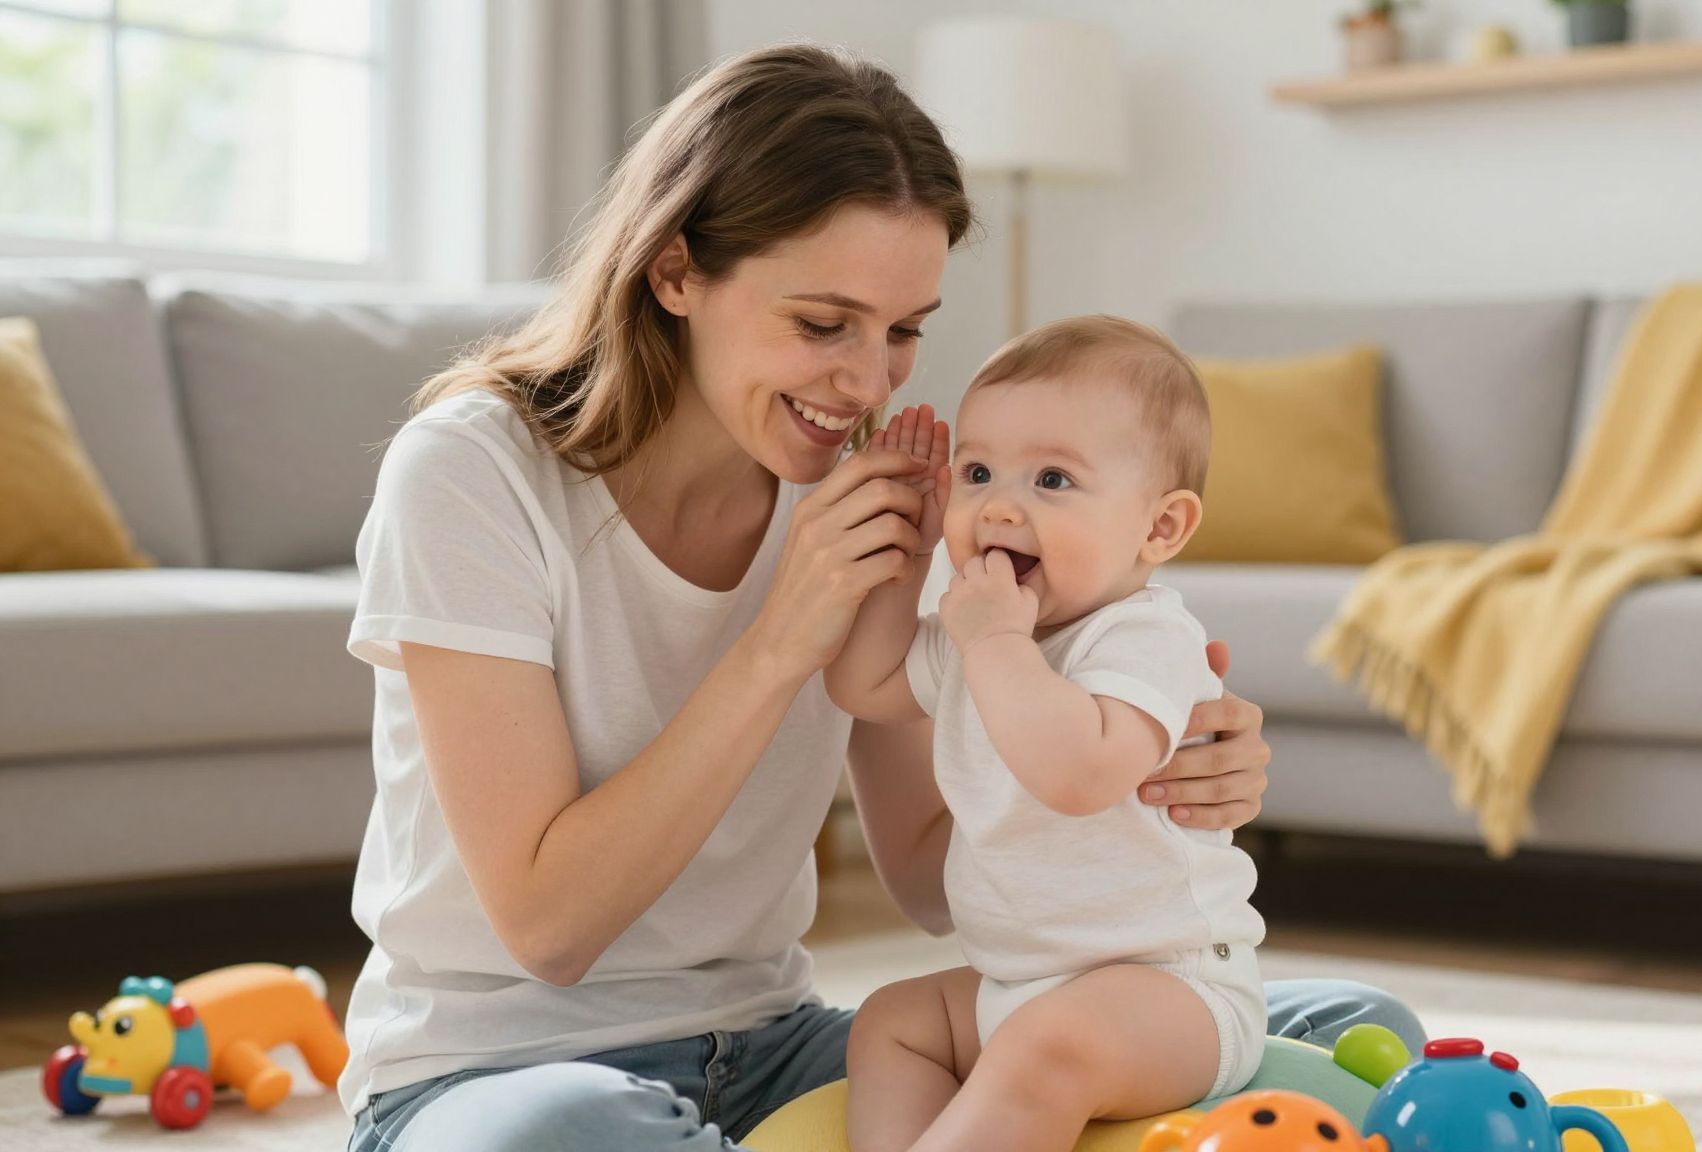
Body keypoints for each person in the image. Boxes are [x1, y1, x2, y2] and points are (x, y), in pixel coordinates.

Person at [341, 43, 1425, 1152]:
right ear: (674, 273)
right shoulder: (474, 473)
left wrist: (1139, 775)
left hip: (768, 1047)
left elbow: (927, 878)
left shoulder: (883, 499)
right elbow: (549, 929)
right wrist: (778, 643)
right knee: (567, 1134)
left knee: (1352, 1033)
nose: (867, 383)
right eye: (822, 325)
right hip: (500, 1072)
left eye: (903, 330)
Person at [828, 317, 1267, 1152]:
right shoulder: (983, 631)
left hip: (1170, 988)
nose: (999, 505)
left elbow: (1077, 774)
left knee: (1047, 1046)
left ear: (1160, 529)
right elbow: (866, 684)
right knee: (893, 1020)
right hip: (1014, 981)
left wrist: (994, 643)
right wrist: (913, 554)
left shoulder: (1144, 636)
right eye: (980, 472)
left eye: (1054, 479)